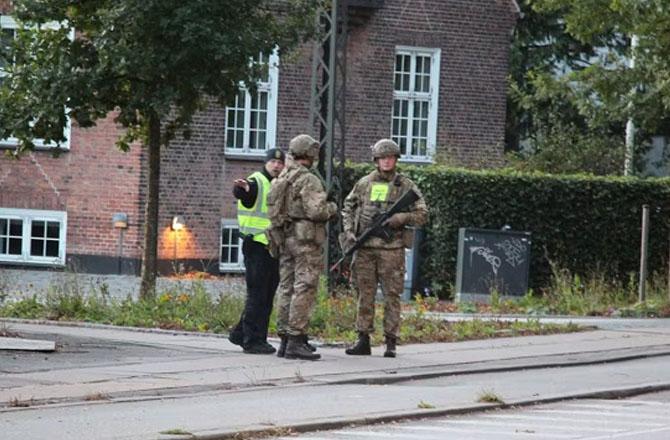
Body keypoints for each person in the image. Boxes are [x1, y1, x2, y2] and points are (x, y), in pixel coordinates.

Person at [341, 139, 428, 358]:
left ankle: (390, 341)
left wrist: (401, 217)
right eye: (383, 158)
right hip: (365, 248)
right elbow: (348, 208)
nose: (387, 161)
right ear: (376, 160)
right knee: (364, 295)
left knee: (392, 296)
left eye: (390, 157)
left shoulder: (405, 185)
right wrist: (350, 231)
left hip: (392, 249)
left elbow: (422, 214)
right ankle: (363, 338)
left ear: (396, 160)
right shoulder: (364, 183)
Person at [270, 134, 337, 361]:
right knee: (305, 287)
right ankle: (296, 339)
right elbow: (317, 211)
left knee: (286, 287)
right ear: (311, 154)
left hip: (285, 239)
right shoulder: (308, 180)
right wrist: (332, 207)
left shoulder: (283, 176)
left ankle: (285, 339)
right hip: (305, 242)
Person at [228, 148, 285, 354]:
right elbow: (245, 191)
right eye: (273, 162)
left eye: (280, 163)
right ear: (266, 163)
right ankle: (252, 340)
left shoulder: (277, 183)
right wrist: (242, 189)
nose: (277, 166)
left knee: (267, 294)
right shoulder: (257, 180)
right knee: (258, 295)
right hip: (256, 246)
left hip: (272, 247)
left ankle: (240, 333)